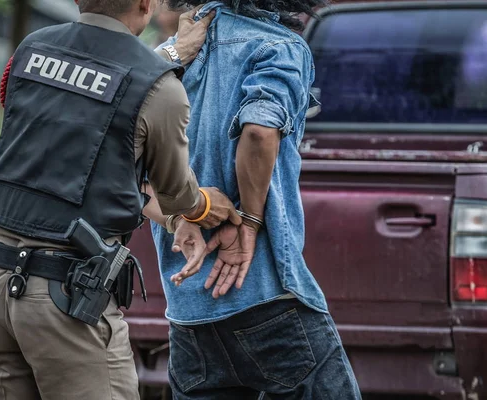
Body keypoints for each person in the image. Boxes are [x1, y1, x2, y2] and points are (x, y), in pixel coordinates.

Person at [0, 1, 237, 399]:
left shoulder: (30, 50)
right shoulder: (159, 86)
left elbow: (79, 156)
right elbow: (176, 192)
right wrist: (201, 207)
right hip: (65, 299)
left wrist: (169, 53)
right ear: (146, 3)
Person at [144, 1, 363, 398]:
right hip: (265, 293)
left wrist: (181, 218)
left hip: (190, 308)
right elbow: (260, 130)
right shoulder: (279, 46)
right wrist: (249, 220)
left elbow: (130, 172)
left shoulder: (173, 53)